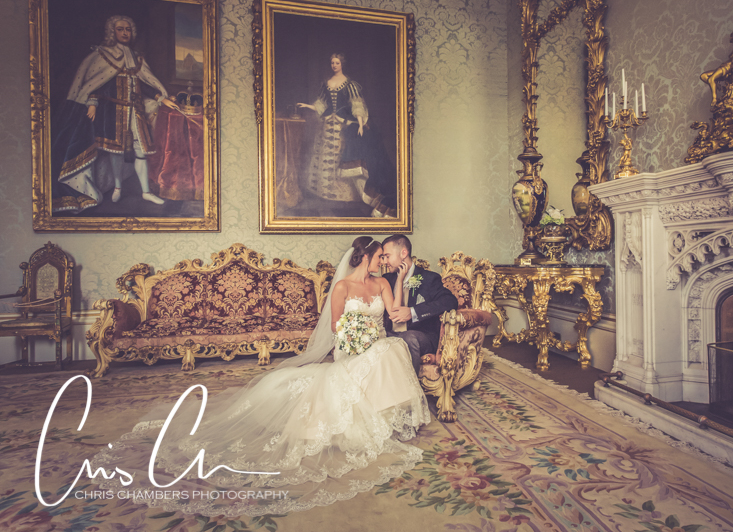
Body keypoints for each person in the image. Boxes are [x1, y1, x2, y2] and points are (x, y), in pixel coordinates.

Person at [90, 237, 429, 515]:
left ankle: (390, 412)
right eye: (379, 257)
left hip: (376, 342)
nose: (383, 262)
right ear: (364, 256)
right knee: (382, 353)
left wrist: (398, 281)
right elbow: (335, 328)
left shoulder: (384, 282)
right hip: (350, 346)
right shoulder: (341, 287)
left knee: (392, 348)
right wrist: (357, 342)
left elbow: (397, 318)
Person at [51, 15, 175, 213]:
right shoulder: (102, 55)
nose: (125, 33)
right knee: (115, 153)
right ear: (112, 32)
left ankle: (145, 192)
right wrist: (91, 102)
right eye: (120, 29)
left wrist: (161, 97)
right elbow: (97, 82)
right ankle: (117, 188)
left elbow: (145, 85)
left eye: (127, 29)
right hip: (113, 112)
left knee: (141, 152)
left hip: (136, 111)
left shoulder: (137, 57)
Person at [296, 53, 396, 217]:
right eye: (332, 63)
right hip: (328, 124)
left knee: (341, 154)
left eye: (337, 63)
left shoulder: (350, 85)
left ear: (342, 64)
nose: (334, 65)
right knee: (324, 154)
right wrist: (307, 105)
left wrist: (361, 123)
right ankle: (325, 193)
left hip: (344, 124)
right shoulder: (326, 84)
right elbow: (321, 104)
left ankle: (349, 196)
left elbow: (357, 104)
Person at [381, 234, 459, 372]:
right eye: (383, 257)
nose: (384, 261)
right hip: (390, 333)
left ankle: (410, 388)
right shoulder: (386, 279)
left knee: (409, 338)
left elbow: (450, 301)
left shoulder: (429, 278)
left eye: (388, 256)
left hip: (421, 336)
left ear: (403, 253)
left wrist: (413, 312)